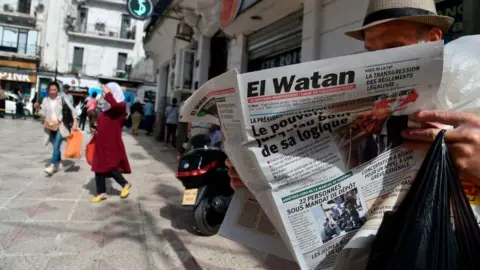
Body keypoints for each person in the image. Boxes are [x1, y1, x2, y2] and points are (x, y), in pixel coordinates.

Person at [227, 0, 480, 193]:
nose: (379, 61)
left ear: (433, 40)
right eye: (371, 51)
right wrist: (262, 178)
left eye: (394, 49)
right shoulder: (364, 106)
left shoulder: (469, 82)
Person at [90, 82, 132, 203]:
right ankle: (101, 192)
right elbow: (104, 121)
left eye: (109, 93)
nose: (106, 96)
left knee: (110, 165)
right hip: (101, 141)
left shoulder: (120, 107)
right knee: (98, 166)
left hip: (111, 142)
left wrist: (108, 93)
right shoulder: (106, 108)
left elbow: (115, 105)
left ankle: (125, 184)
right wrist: (96, 127)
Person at [34, 81, 77, 176]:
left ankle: (52, 166)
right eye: (51, 90)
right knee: (55, 146)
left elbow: (73, 110)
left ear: (58, 90)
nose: (52, 91)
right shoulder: (45, 100)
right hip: (50, 126)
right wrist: (37, 109)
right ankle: (59, 162)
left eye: (54, 89)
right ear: (48, 91)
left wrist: (75, 122)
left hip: (61, 126)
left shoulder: (62, 99)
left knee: (56, 145)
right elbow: (43, 114)